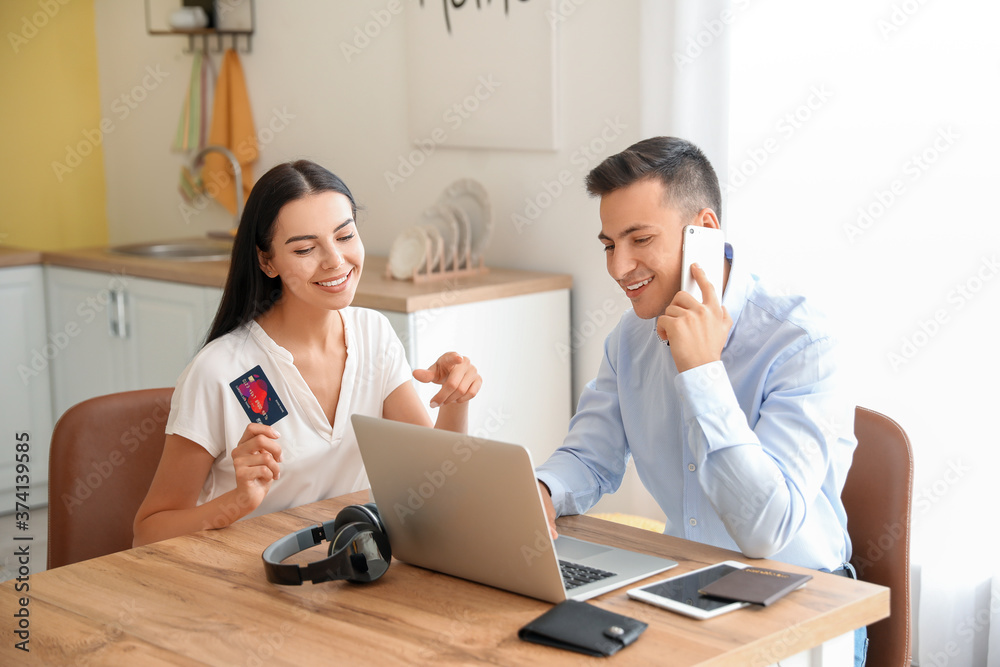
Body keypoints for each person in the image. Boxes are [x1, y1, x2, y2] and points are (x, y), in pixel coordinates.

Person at [533, 137, 866, 665]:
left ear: (704, 232)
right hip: (686, 590)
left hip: (800, 608)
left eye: (639, 239)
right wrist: (542, 493)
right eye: (608, 244)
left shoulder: (802, 341)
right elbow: (588, 457)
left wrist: (702, 370)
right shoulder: (630, 338)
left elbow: (766, 531)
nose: (619, 267)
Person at [134, 160, 481, 546]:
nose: (334, 260)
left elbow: (435, 482)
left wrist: (455, 399)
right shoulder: (220, 370)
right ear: (267, 261)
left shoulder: (373, 335)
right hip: (245, 582)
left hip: (350, 565)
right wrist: (236, 502)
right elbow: (147, 532)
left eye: (345, 236)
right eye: (304, 248)